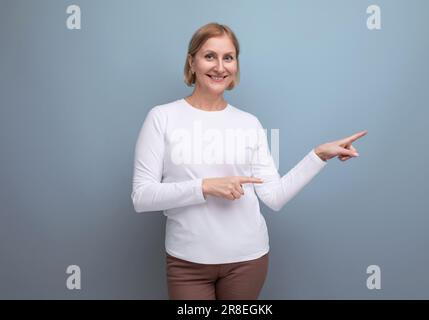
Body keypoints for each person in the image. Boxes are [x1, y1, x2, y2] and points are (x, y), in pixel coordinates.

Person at [131, 22, 367, 300]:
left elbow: (274, 196)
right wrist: (205, 186)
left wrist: (318, 156)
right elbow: (142, 196)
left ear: (235, 66)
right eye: (210, 56)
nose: (220, 67)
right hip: (188, 263)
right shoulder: (162, 117)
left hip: (248, 261)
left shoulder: (249, 123)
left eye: (228, 58)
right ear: (191, 62)